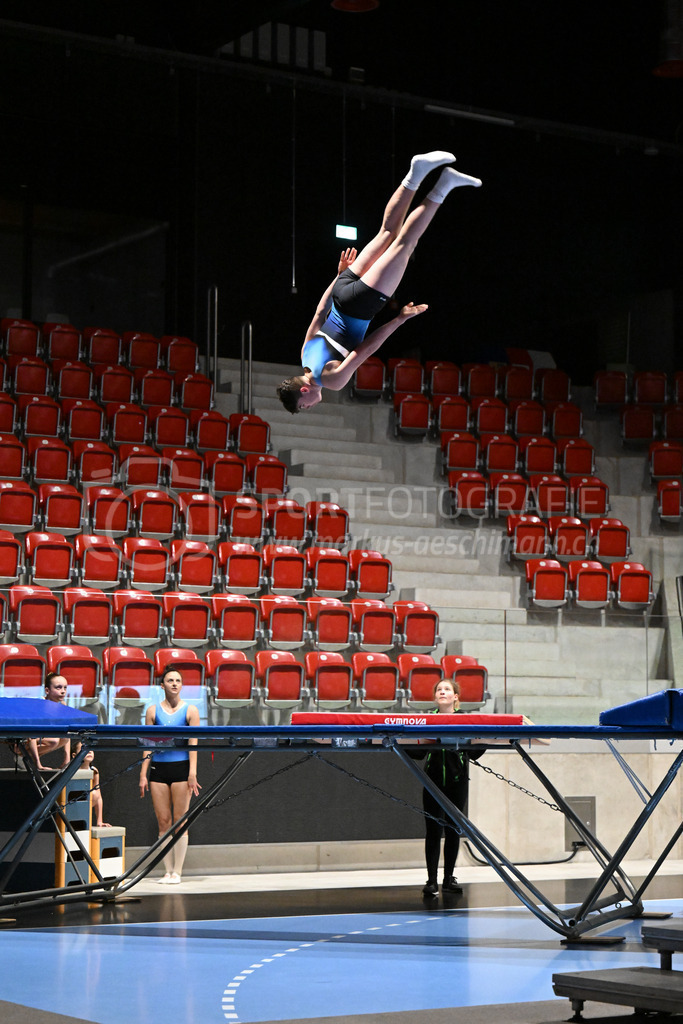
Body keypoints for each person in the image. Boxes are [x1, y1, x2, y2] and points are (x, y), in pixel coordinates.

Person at [276, 150, 481, 413]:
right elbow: (319, 312)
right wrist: (340, 275)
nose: (308, 407)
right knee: (387, 232)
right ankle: (416, 172)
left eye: (303, 406)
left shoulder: (331, 380)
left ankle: (444, 185)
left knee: (405, 244)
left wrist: (399, 320)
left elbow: (365, 350)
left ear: (303, 391)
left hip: (361, 304)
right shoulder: (304, 353)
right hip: (342, 290)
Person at [416, 677, 483, 898]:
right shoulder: (426, 720)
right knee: (433, 831)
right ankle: (431, 881)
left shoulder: (464, 720)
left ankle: (448, 879)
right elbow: (418, 753)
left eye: (447, 689)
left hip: (457, 781)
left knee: (453, 830)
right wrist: (401, 741)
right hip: (432, 781)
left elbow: (474, 752)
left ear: (455, 697)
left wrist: (480, 740)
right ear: (435, 697)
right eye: (439, 689)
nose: (442, 692)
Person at [139, 667, 200, 885]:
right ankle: (167, 871)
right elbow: (147, 745)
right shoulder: (153, 711)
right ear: (162, 685)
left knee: (180, 821)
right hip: (158, 770)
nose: (174, 684)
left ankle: (178, 872)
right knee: (163, 822)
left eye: (178, 680)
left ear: (182, 685)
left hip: (181, 769)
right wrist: (143, 774)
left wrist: (192, 773)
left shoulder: (190, 711)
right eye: (170, 680)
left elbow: (194, 745)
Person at [25, 673, 74, 771]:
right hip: (23, 743)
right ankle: (24, 756)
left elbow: (67, 734)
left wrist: (67, 760)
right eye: (58, 688)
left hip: (41, 740)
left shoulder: (62, 706)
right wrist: (38, 765)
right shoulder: (39, 706)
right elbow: (31, 736)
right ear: (47, 690)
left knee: (63, 738)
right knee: (54, 740)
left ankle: (27, 758)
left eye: (65, 688)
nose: (63, 691)